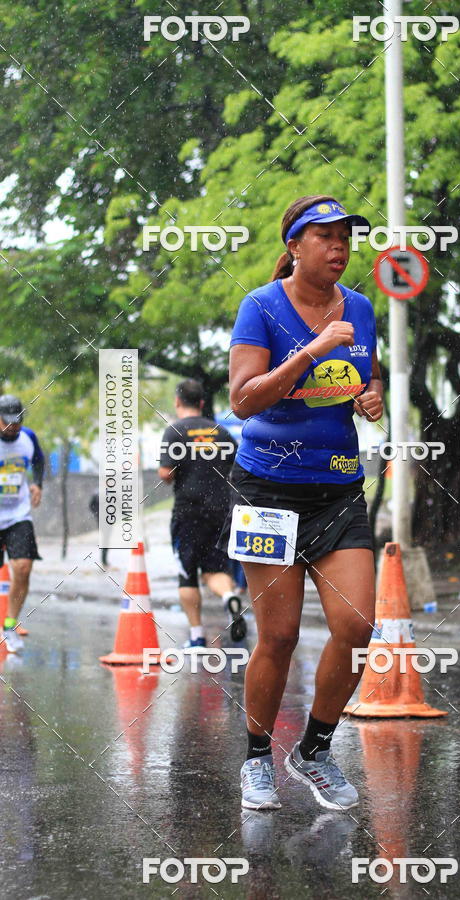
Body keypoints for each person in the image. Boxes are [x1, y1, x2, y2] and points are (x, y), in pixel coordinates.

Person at [219, 195, 383, 811]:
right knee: (280, 635)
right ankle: (258, 756)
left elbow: (365, 379)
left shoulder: (361, 309)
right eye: (326, 237)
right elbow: (242, 400)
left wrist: (371, 401)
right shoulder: (260, 307)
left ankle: (313, 749)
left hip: (337, 489)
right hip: (267, 492)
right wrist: (312, 349)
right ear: (294, 246)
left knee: (357, 627)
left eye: (346, 237)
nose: (340, 247)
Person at [158, 379, 246, 648]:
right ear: (202, 403)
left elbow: (166, 473)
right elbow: (238, 468)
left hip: (188, 511)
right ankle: (228, 595)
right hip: (221, 511)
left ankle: (197, 636)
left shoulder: (174, 432)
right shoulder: (221, 432)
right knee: (214, 568)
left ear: (177, 402)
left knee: (187, 573)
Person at [0, 395, 44, 653]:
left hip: (18, 515)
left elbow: (38, 460)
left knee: (23, 568)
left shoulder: (28, 437)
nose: (12, 427)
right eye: (7, 422)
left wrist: (37, 483)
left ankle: (9, 624)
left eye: (17, 422)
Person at [89, 492, 109, 567]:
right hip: (101, 520)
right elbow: (91, 505)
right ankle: (104, 559)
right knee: (105, 538)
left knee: (106, 539)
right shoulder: (97, 494)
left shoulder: (112, 493)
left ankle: (104, 559)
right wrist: (97, 514)